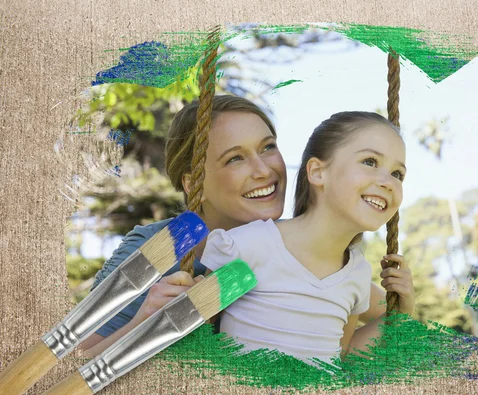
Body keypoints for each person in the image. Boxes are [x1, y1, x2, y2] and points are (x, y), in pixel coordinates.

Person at [80, 96, 399, 357]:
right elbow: (67, 368)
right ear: (196, 185)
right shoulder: (155, 249)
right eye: (235, 158)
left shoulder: (293, 248)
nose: (264, 170)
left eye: (267, 147)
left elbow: (383, 308)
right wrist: (142, 324)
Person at [200, 111, 415, 366]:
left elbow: (340, 357)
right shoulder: (251, 246)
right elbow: (196, 337)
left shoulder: (355, 273)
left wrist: (399, 314)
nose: (388, 182)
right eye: (369, 162)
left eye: (397, 174)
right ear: (317, 172)